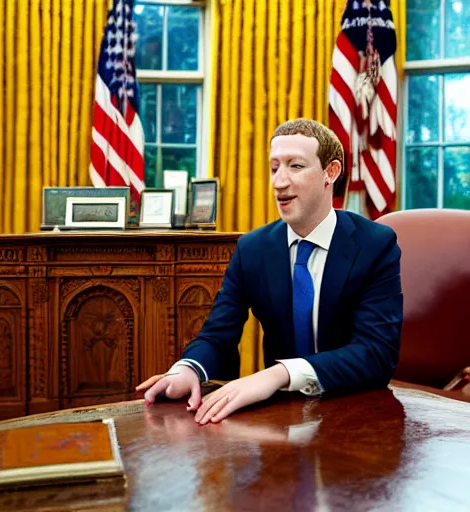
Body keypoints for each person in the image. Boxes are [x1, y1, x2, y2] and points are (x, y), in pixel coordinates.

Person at [137, 118, 403, 424]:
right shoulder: (253, 248)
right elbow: (217, 335)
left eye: (295, 166)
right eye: (274, 167)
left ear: (330, 173)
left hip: (358, 416)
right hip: (283, 418)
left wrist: (280, 373)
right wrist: (189, 369)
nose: (279, 182)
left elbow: (376, 354)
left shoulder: (375, 245)